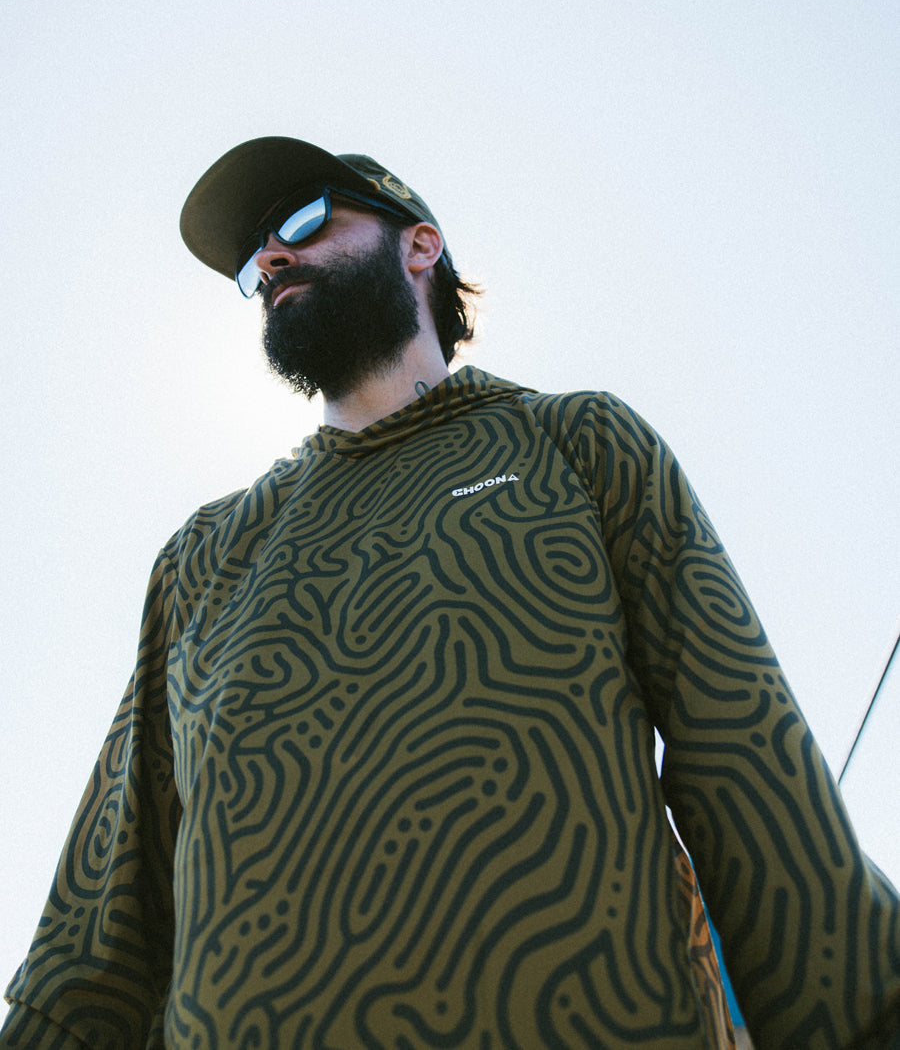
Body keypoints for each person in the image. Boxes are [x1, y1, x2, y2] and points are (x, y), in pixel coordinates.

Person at [2, 137, 898, 1050]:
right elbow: (100, 923)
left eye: (305, 218)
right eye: (256, 252)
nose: (270, 255)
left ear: (419, 245)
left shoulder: (580, 444)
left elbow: (749, 768)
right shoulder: (201, 557)